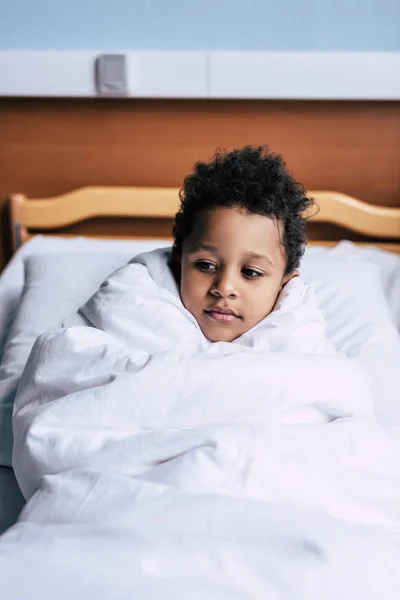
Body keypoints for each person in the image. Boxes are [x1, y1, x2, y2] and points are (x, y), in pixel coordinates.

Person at [171, 145, 313, 343]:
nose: (225, 287)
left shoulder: (305, 353)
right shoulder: (134, 314)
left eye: (251, 272)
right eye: (206, 265)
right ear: (178, 264)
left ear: (284, 285)